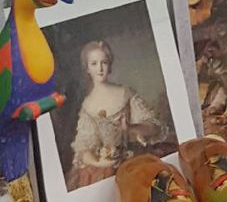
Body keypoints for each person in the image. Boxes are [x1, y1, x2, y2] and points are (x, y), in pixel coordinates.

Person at [67, 40, 170, 188]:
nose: (100, 68)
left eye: (104, 62)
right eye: (94, 64)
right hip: (103, 168)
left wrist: (131, 127)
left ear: (109, 65)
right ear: (87, 68)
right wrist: (99, 162)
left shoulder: (125, 93)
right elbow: (83, 147)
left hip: (133, 159)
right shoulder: (87, 106)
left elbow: (154, 127)